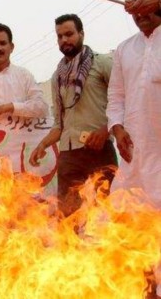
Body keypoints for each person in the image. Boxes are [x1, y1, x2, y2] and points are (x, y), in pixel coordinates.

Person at [28, 14, 117, 216]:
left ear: (81, 34)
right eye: (59, 36)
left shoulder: (102, 63)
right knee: (68, 217)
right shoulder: (57, 77)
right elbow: (59, 125)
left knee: (103, 216)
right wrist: (42, 145)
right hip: (68, 156)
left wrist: (106, 130)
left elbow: (123, 102)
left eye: (69, 34)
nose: (64, 40)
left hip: (99, 151)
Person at [109, 0, 161, 299]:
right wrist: (116, 127)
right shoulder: (124, 49)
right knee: (134, 224)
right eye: (134, 11)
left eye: (147, 7)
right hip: (135, 155)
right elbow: (116, 96)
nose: (141, 16)